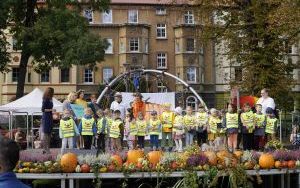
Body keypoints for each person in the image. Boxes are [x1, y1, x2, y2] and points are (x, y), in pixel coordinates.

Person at [41, 87, 54, 154]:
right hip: (46, 117)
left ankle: (46, 148)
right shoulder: (45, 99)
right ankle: (46, 148)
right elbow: (43, 109)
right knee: (46, 133)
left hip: (49, 116)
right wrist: (51, 110)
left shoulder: (50, 99)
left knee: (49, 133)